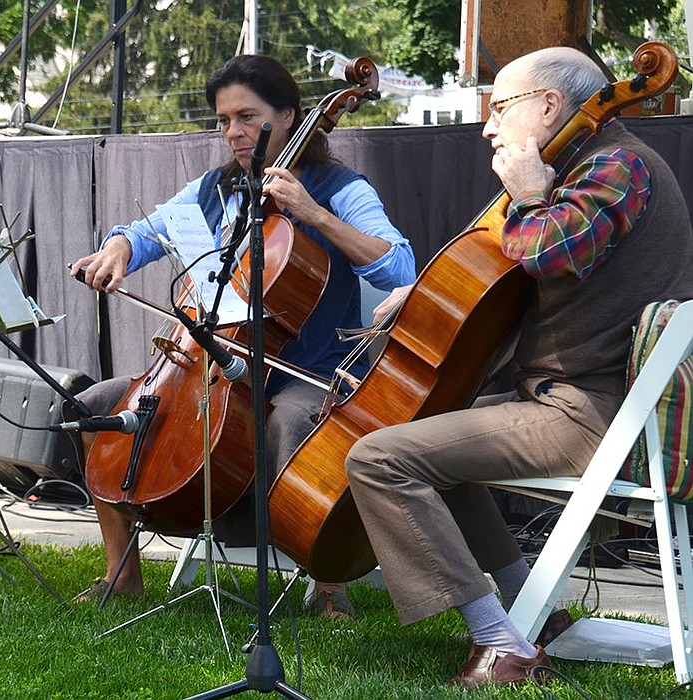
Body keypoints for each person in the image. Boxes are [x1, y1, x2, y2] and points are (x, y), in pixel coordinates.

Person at [345, 46, 693, 687]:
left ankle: (501, 643)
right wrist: (420, 298)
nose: (486, 125)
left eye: (499, 107)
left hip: (593, 412)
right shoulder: (585, 171)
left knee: (379, 458)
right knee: (424, 428)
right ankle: (537, 616)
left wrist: (530, 194)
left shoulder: (620, 165)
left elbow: (548, 250)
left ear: (551, 106)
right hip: (568, 401)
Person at [70, 54, 416, 615]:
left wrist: (314, 215)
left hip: (300, 369)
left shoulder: (340, 188)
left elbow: (401, 268)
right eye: (224, 120)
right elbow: (149, 230)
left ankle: (328, 580)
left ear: (288, 115)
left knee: (294, 423)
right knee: (97, 407)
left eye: (247, 117)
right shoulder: (216, 188)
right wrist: (119, 247)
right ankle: (122, 572)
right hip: (209, 364)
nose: (233, 132)